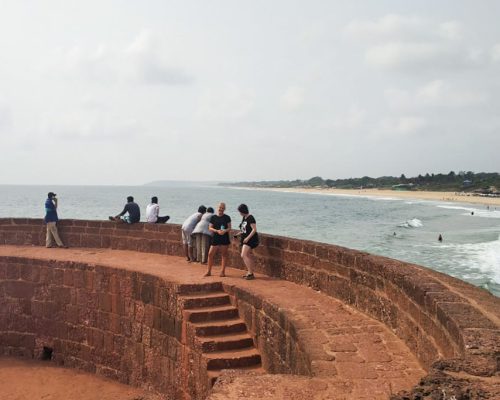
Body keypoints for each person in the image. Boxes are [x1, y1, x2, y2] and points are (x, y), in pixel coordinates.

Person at [204, 202, 231, 277]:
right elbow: (210, 227)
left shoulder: (227, 217)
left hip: (224, 237)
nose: (221, 209)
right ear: (217, 208)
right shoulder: (213, 217)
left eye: (222, 208)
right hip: (216, 237)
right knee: (210, 254)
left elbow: (229, 228)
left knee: (224, 255)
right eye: (220, 207)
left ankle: (222, 272)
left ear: (224, 209)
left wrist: (224, 231)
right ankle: (208, 271)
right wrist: (217, 231)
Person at [234, 204, 259, 280]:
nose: (240, 213)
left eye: (240, 211)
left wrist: (247, 238)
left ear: (243, 210)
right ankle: (249, 272)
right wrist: (237, 234)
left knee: (243, 255)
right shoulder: (244, 218)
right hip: (245, 239)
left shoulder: (250, 217)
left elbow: (254, 229)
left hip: (250, 240)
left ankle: (251, 273)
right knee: (247, 255)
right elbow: (243, 230)